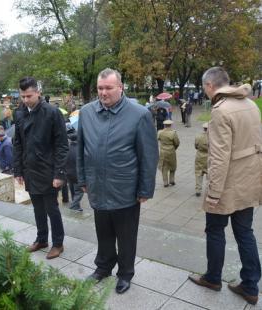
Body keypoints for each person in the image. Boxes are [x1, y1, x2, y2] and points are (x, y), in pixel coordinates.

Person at [77, 68, 158, 294]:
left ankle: (125, 274)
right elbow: (81, 149)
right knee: (103, 233)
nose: (103, 93)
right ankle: (103, 267)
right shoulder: (86, 112)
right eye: (100, 88)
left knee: (126, 236)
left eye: (109, 88)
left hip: (126, 189)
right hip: (97, 187)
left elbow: (149, 156)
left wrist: (145, 189)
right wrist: (82, 178)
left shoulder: (139, 114)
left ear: (120, 88)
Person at [188, 67, 262, 306]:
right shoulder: (250, 105)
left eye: (204, 88)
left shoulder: (221, 111)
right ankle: (251, 286)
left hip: (228, 183)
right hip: (249, 179)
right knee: (245, 233)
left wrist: (214, 193)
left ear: (210, 86)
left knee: (215, 230)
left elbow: (219, 158)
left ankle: (212, 278)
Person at [13, 77, 68, 260]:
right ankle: (42, 239)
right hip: (30, 169)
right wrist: (18, 170)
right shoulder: (19, 113)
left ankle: (58, 243)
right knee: (37, 208)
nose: (26, 100)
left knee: (52, 209)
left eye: (29, 95)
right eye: (23, 96)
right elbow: (18, 143)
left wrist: (59, 173)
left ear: (38, 92)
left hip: (48, 169)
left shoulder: (52, 113)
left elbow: (62, 145)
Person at [65, 123, 83, 212]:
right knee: (79, 192)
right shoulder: (79, 150)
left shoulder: (67, 148)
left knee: (73, 191)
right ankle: (73, 206)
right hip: (77, 175)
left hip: (69, 174)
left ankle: (77, 206)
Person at [157, 120, 180, 187]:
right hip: (171, 151)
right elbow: (177, 143)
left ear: (164, 125)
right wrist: (174, 148)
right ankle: (171, 180)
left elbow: (158, 139)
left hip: (163, 151)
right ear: (171, 125)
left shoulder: (160, 132)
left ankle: (165, 182)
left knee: (164, 166)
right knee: (173, 165)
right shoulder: (173, 133)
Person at [194, 122, 208, 197]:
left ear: (203, 128)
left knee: (198, 173)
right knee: (210, 174)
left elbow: (196, 146)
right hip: (209, 156)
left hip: (199, 155)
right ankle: (209, 190)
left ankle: (198, 190)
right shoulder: (213, 137)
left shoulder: (198, 136)